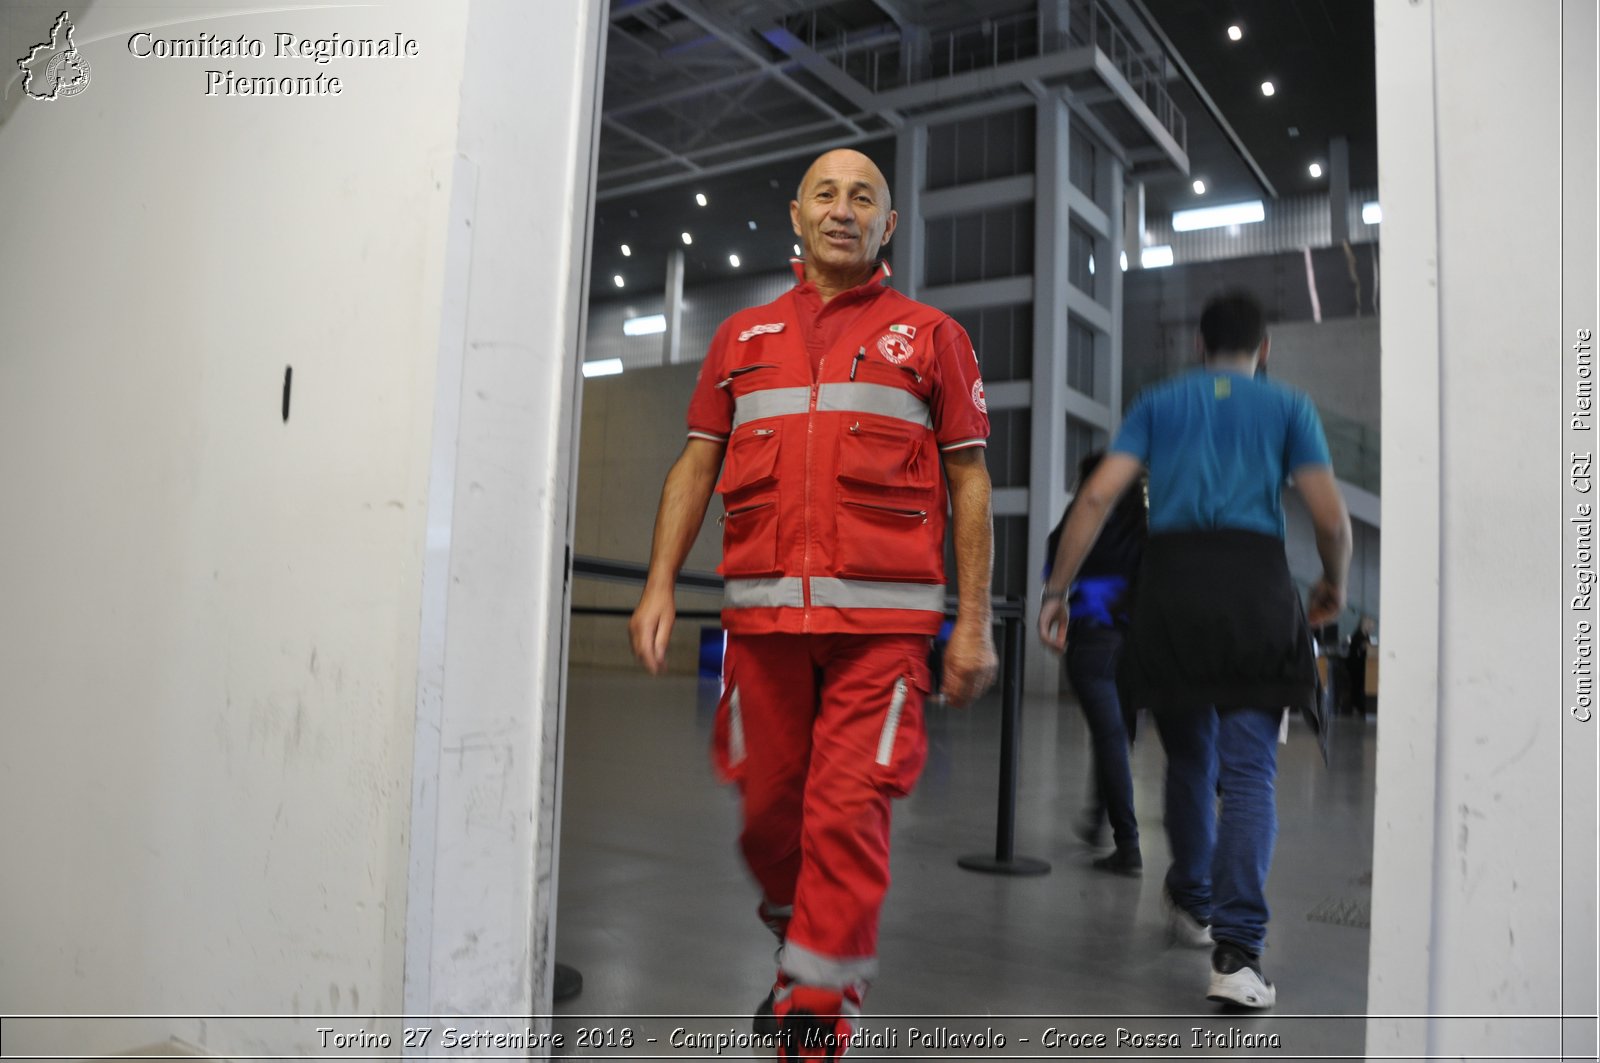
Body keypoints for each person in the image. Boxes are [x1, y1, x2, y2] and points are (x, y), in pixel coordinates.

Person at [629, 148, 998, 1059]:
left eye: (862, 197)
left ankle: (816, 1022)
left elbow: (971, 482)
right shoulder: (740, 339)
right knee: (767, 814)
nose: (843, 210)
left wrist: (975, 623)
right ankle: (802, 943)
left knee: (845, 814)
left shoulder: (933, 337)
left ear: (889, 225)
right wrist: (660, 579)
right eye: (825, 195)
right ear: (795, 215)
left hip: (883, 636)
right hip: (761, 629)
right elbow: (697, 463)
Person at [1038, 290, 1351, 1009]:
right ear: (1264, 349)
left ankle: (1189, 899)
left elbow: (1093, 500)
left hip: (1172, 590)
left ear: (1200, 346)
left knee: (1187, 756)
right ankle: (1237, 954)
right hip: (1254, 588)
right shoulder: (1288, 407)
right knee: (1248, 772)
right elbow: (1331, 515)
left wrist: (1058, 590)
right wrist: (1332, 583)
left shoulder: (1159, 402)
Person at [1044, 451, 1146, 875]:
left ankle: (1128, 843)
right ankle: (1097, 819)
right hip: (1135, 646)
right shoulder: (1142, 524)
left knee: (1108, 738)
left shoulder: (1078, 519)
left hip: (1092, 643)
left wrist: (1056, 597)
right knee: (1113, 737)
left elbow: (1055, 560)